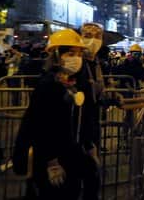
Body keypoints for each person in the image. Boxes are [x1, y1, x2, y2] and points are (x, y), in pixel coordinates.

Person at [16, 29, 97, 200]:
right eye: (70, 53)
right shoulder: (47, 86)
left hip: (72, 151)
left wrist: (89, 146)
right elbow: (39, 125)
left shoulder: (75, 84)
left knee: (78, 186)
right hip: (51, 158)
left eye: (79, 53)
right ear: (56, 55)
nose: (76, 58)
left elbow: (81, 119)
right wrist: (51, 162)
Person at [77, 22, 105, 200]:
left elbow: (96, 94)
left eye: (97, 37)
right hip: (78, 133)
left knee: (92, 180)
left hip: (91, 127)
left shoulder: (95, 63)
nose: (93, 41)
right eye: (88, 36)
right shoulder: (76, 66)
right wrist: (88, 143)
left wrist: (110, 97)